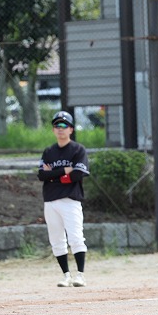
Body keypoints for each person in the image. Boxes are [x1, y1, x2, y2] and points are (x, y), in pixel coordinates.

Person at [38, 110, 90, 287]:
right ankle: (66, 275)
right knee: (57, 240)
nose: (60, 129)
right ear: (53, 130)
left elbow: (77, 175)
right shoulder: (48, 152)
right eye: (57, 125)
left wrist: (53, 176)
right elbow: (42, 176)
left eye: (64, 125)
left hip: (70, 200)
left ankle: (80, 275)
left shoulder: (78, 150)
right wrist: (64, 171)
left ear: (71, 129)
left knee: (76, 237)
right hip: (50, 201)